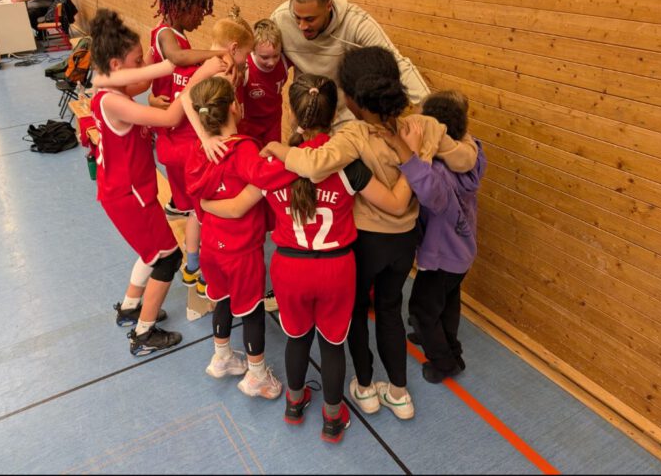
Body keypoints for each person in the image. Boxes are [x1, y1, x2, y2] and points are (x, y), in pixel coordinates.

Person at [261, 46, 479, 421]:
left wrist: (280, 147)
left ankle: (364, 387)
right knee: (392, 310)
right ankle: (399, 392)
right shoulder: (424, 125)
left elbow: (312, 166)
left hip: (367, 242)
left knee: (360, 313)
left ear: (351, 98)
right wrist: (427, 150)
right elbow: (466, 159)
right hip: (405, 241)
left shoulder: (355, 135)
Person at [203, 74, 412, 442]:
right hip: (336, 267)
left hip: (290, 267)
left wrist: (201, 203)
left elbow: (236, 207)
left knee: (297, 340)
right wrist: (417, 158)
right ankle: (333, 418)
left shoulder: (271, 163)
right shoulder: (348, 165)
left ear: (291, 111)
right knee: (333, 346)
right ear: (335, 116)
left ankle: (295, 404)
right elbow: (394, 206)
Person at [86, 8, 226, 357]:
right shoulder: (115, 102)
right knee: (166, 257)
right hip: (127, 195)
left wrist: (183, 60)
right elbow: (168, 117)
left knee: (150, 252)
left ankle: (132, 306)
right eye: (137, 60)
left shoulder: (107, 86)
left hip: (124, 192)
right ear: (118, 65)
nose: (144, 64)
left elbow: (153, 74)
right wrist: (201, 76)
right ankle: (144, 333)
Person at [185, 76, 297, 402]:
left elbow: (196, 196)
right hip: (242, 250)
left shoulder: (199, 150)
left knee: (221, 299)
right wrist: (299, 158)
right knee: (251, 311)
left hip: (212, 247)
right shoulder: (243, 147)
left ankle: (222, 357)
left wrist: (208, 207)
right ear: (234, 106)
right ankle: (258, 375)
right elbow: (267, 175)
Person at [386, 90, 486, 384]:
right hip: (462, 253)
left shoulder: (438, 171)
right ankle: (450, 344)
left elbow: (433, 194)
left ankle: (444, 362)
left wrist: (413, 156)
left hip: (442, 256)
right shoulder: (470, 157)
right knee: (449, 300)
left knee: (420, 310)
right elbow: (470, 143)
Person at [157, 7, 253, 298]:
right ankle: (206, 276)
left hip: (190, 148)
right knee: (206, 215)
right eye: (245, 56)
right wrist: (206, 139)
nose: (245, 62)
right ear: (233, 48)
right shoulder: (216, 67)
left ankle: (193, 267)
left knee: (195, 214)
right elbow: (187, 98)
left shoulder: (210, 61)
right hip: (200, 149)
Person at [270, 0, 430, 114]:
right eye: (297, 17)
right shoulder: (281, 18)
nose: (302, 26)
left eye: (310, 19)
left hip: (343, 116)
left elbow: (397, 63)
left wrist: (431, 112)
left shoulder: (356, 23)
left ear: (328, 6)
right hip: (306, 114)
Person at [146, 0, 224, 221]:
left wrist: (151, 95)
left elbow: (153, 72)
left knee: (179, 166)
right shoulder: (165, 33)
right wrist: (218, 54)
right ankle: (187, 208)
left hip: (172, 111)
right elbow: (177, 58)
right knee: (182, 163)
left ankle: (180, 203)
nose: (202, 17)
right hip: (172, 117)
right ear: (180, 9)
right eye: (198, 11)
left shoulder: (171, 33)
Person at [236, 18, 291, 145]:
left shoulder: (284, 61)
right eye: (264, 57)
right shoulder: (245, 67)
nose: (271, 62)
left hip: (273, 122)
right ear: (252, 50)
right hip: (249, 124)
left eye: (275, 55)